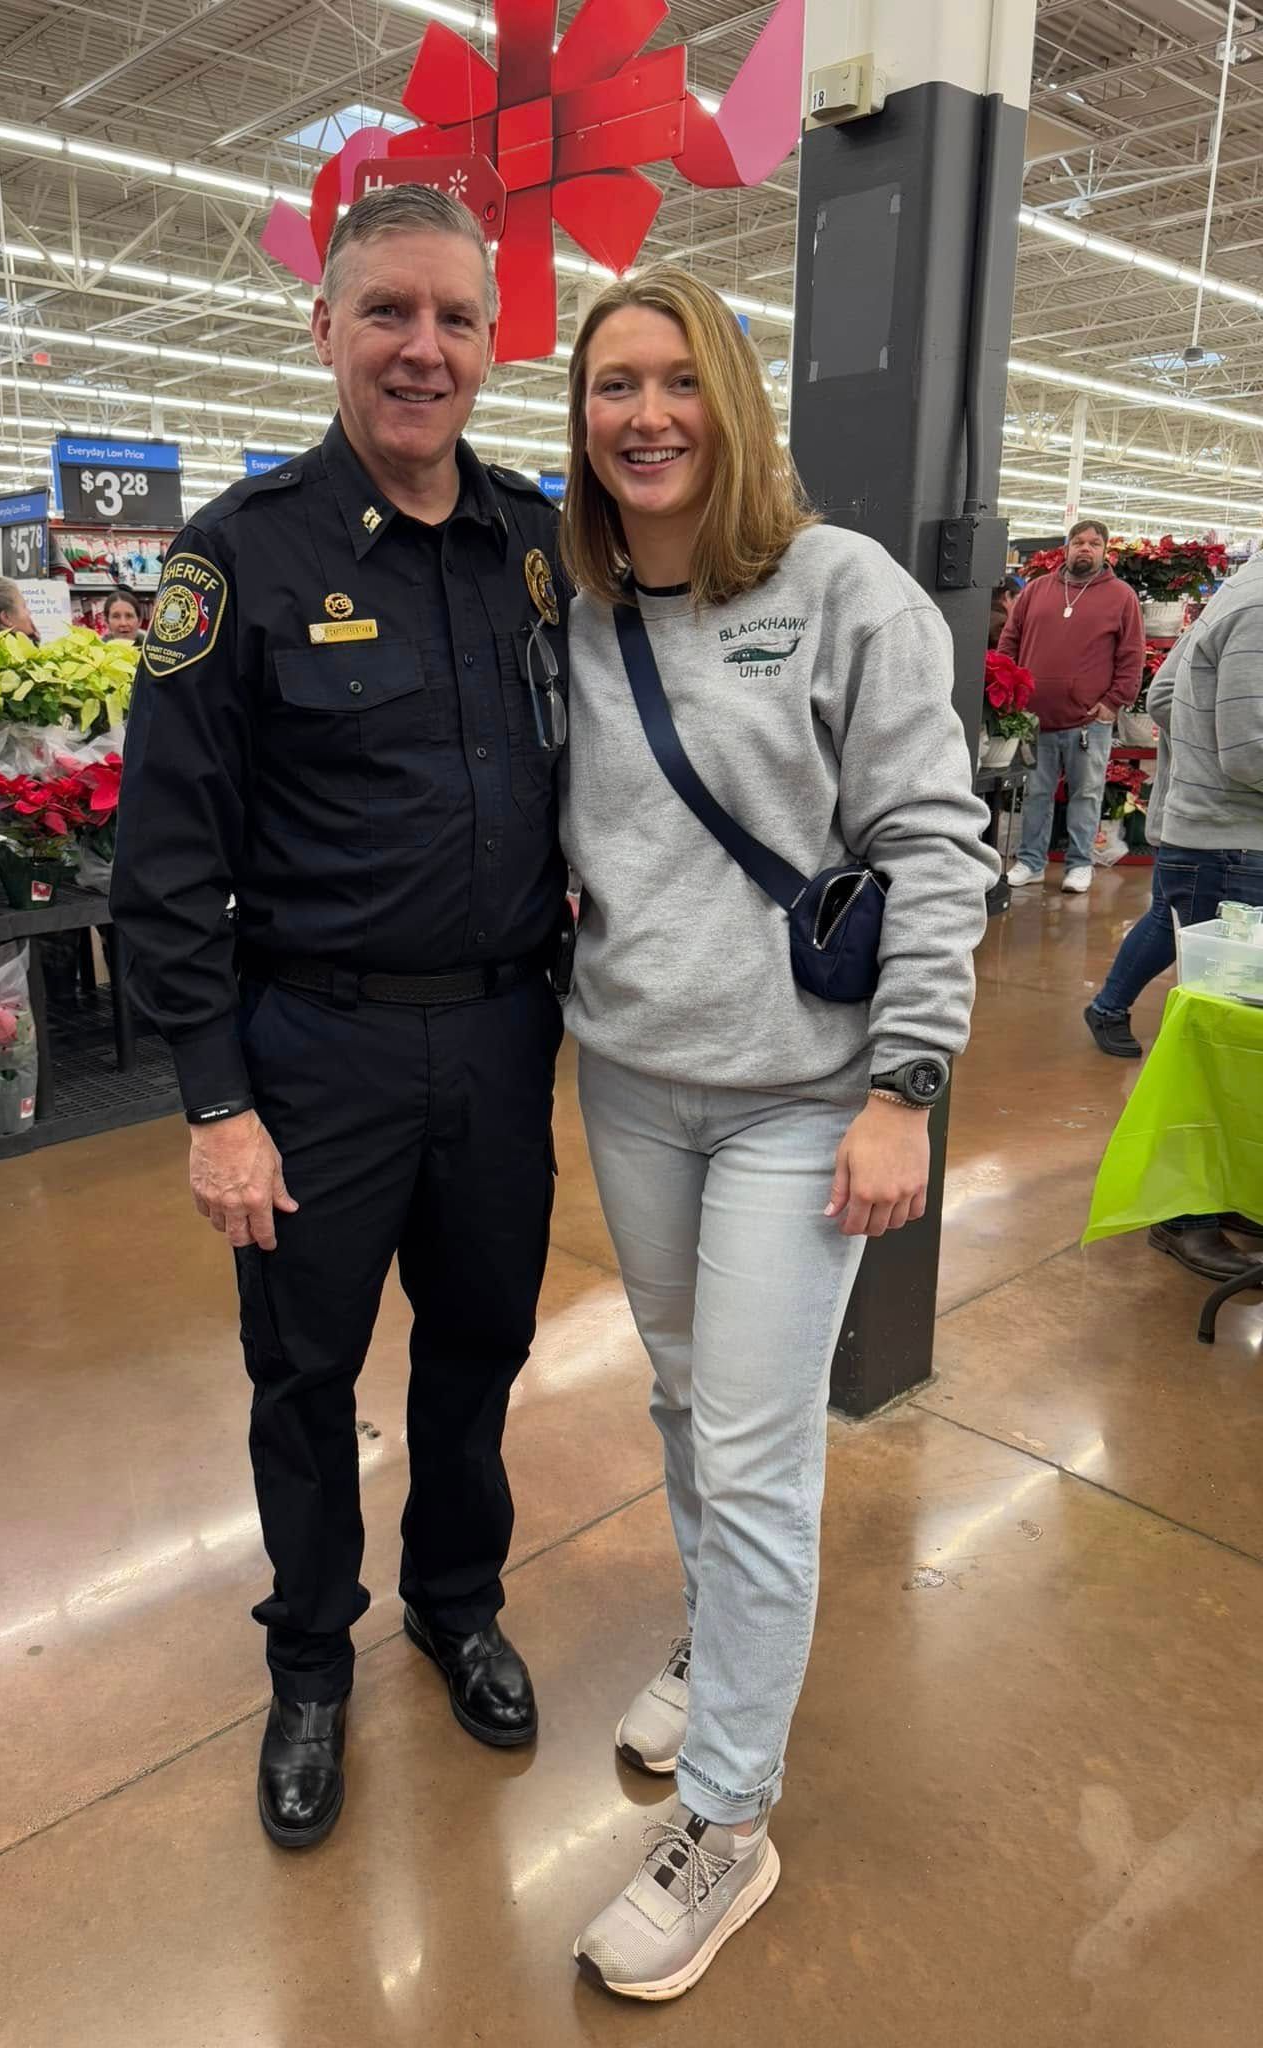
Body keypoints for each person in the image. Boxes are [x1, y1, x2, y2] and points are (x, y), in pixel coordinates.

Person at [112, 185, 569, 1851]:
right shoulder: (238, 558)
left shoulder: (535, 543)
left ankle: (456, 1601)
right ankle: (310, 1662)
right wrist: (215, 1102)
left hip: (506, 1037)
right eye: (386, 312)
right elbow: (163, 857)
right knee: (303, 1376)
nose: (420, 349)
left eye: (453, 317)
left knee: (480, 1346)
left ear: (493, 338)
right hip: (315, 1054)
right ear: (324, 327)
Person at [556, 269, 995, 2001]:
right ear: (581, 422)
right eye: (611, 389)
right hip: (633, 1076)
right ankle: (710, 1636)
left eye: (675, 381)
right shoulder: (578, 611)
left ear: (730, 399)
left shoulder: (844, 595)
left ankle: (728, 1818)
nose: (644, 415)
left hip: (804, 1097)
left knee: (750, 1450)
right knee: (681, 1393)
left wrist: (907, 1086)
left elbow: (940, 847)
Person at [1084, 558, 1263, 1282]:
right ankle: (1183, 1213)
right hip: (1234, 845)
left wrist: (1193, 767)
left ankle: (1213, 1194)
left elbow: (1162, 695)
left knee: (1218, 1034)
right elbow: (1251, 749)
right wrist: (1212, 777)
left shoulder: (1235, 595)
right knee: (1210, 1038)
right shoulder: (1256, 609)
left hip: (1214, 837)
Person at [1000, 519, 1144, 894]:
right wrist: (1008, 690)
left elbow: (1132, 655)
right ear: (1066, 549)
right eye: (1078, 542)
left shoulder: (1121, 596)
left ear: (1104, 551)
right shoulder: (1036, 591)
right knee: (1036, 794)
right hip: (1034, 718)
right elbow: (1009, 641)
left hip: (1089, 722)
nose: (1085, 548)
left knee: (1086, 794)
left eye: (1094, 543)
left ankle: (1080, 864)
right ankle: (1030, 861)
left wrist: (1114, 703)